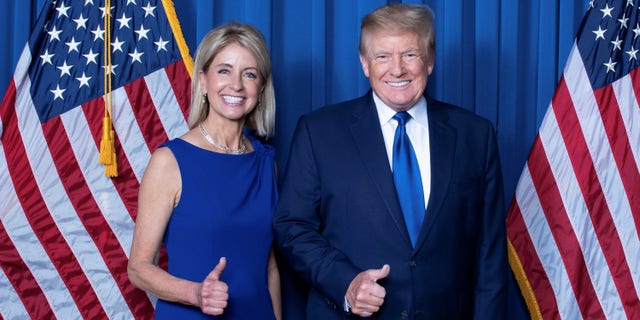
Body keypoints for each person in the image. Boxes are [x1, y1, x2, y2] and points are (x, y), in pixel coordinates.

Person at [273, 4, 507, 319]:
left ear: (430, 61)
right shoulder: (319, 132)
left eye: (410, 54)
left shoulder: (475, 135)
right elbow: (292, 227)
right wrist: (345, 282)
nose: (397, 69)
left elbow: (489, 253)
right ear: (365, 63)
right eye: (383, 56)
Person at [127, 22, 281, 320]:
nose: (236, 84)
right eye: (224, 70)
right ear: (204, 81)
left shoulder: (266, 164)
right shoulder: (170, 161)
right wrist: (195, 294)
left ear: (261, 88)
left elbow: (269, 265)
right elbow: (139, 268)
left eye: (249, 74)